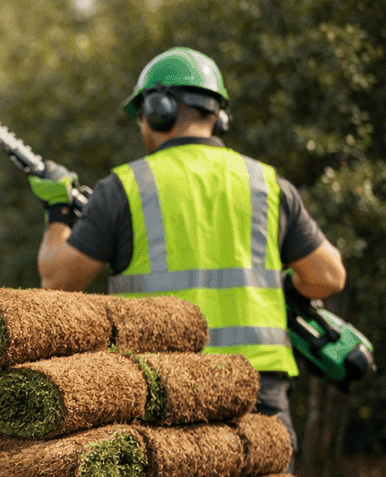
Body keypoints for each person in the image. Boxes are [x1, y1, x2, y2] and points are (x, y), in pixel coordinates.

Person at [31, 46, 346, 451]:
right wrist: (285, 290)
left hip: (162, 388)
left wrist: (58, 210)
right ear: (219, 116)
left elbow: (56, 280)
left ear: (157, 110)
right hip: (258, 388)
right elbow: (328, 277)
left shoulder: (125, 188)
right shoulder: (267, 184)